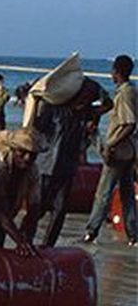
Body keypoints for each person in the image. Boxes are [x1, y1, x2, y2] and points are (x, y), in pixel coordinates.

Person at [31, 76, 112, 246]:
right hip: (46, 166)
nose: (85, 102)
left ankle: (48, 245)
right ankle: (25, 239)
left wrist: (99, 93)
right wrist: (36, 102)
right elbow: (36, 127)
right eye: (83, 98)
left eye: (89, 99)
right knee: (38, 208)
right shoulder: (53, 109)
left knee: (60, 209)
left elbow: (108, 104)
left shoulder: (85, 113)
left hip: (67, 167)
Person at [84, 54, 137, 246]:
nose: (111, 74)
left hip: (118, 153)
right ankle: (133, 235)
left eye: (113, 71)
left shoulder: (123, 95)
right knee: (127, 194)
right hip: (130, 152)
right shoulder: (133, 91)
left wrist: (111, 145)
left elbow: (129, 124)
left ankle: (91, 232)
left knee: (103, 193)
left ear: (117, 72)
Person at [0, 127, 43, 250]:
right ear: (13, 149)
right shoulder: (1, 167)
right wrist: (19, 241)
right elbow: (1, 212)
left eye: (32, 155)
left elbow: (34, 209)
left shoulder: (33, 171)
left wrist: (27, 239)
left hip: (8, 208)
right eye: (22, 152)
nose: (27, 158)